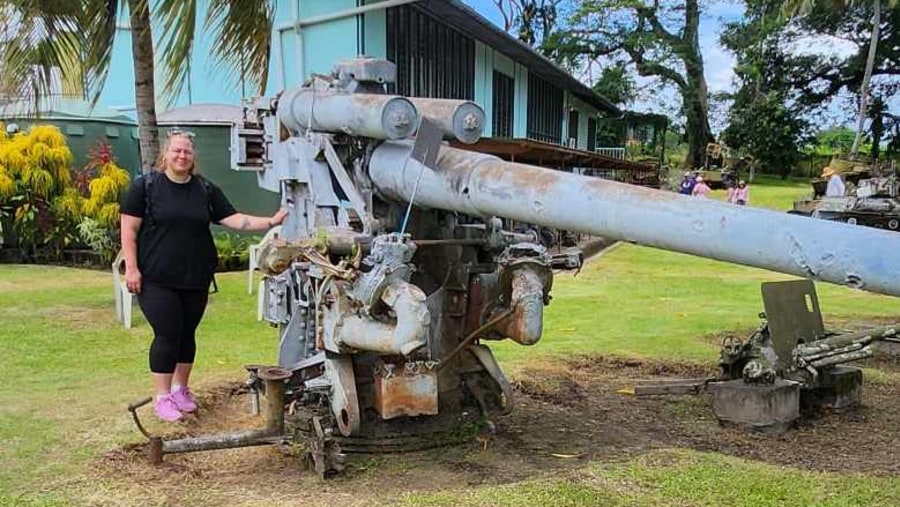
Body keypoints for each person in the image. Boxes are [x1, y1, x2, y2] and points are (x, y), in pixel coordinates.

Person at [120, 129, 287, 422]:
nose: (182, 156)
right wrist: (131, 268)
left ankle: (181, 389)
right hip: (156, 278)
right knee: (168, 332)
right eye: (176, 151)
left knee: (187, 334)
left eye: (186, 151)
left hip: (195, 278)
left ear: (193, 156)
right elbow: (129, 231)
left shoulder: (204, 189)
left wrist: (270, 221)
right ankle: (162, 397)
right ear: (165, 154)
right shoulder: (144, 188)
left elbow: (234, 218)